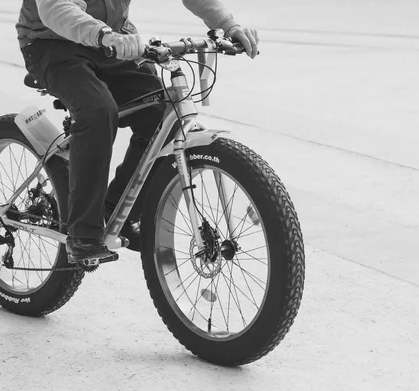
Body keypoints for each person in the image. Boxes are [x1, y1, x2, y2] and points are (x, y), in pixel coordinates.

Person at [15, 0, 259, 262]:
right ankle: (83, 233)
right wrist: (104, 34)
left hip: (112, 41)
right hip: (52, 43)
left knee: (163, 119)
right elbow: (55, 8)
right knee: (97, 111)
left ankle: (118, 211)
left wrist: (227, 25)